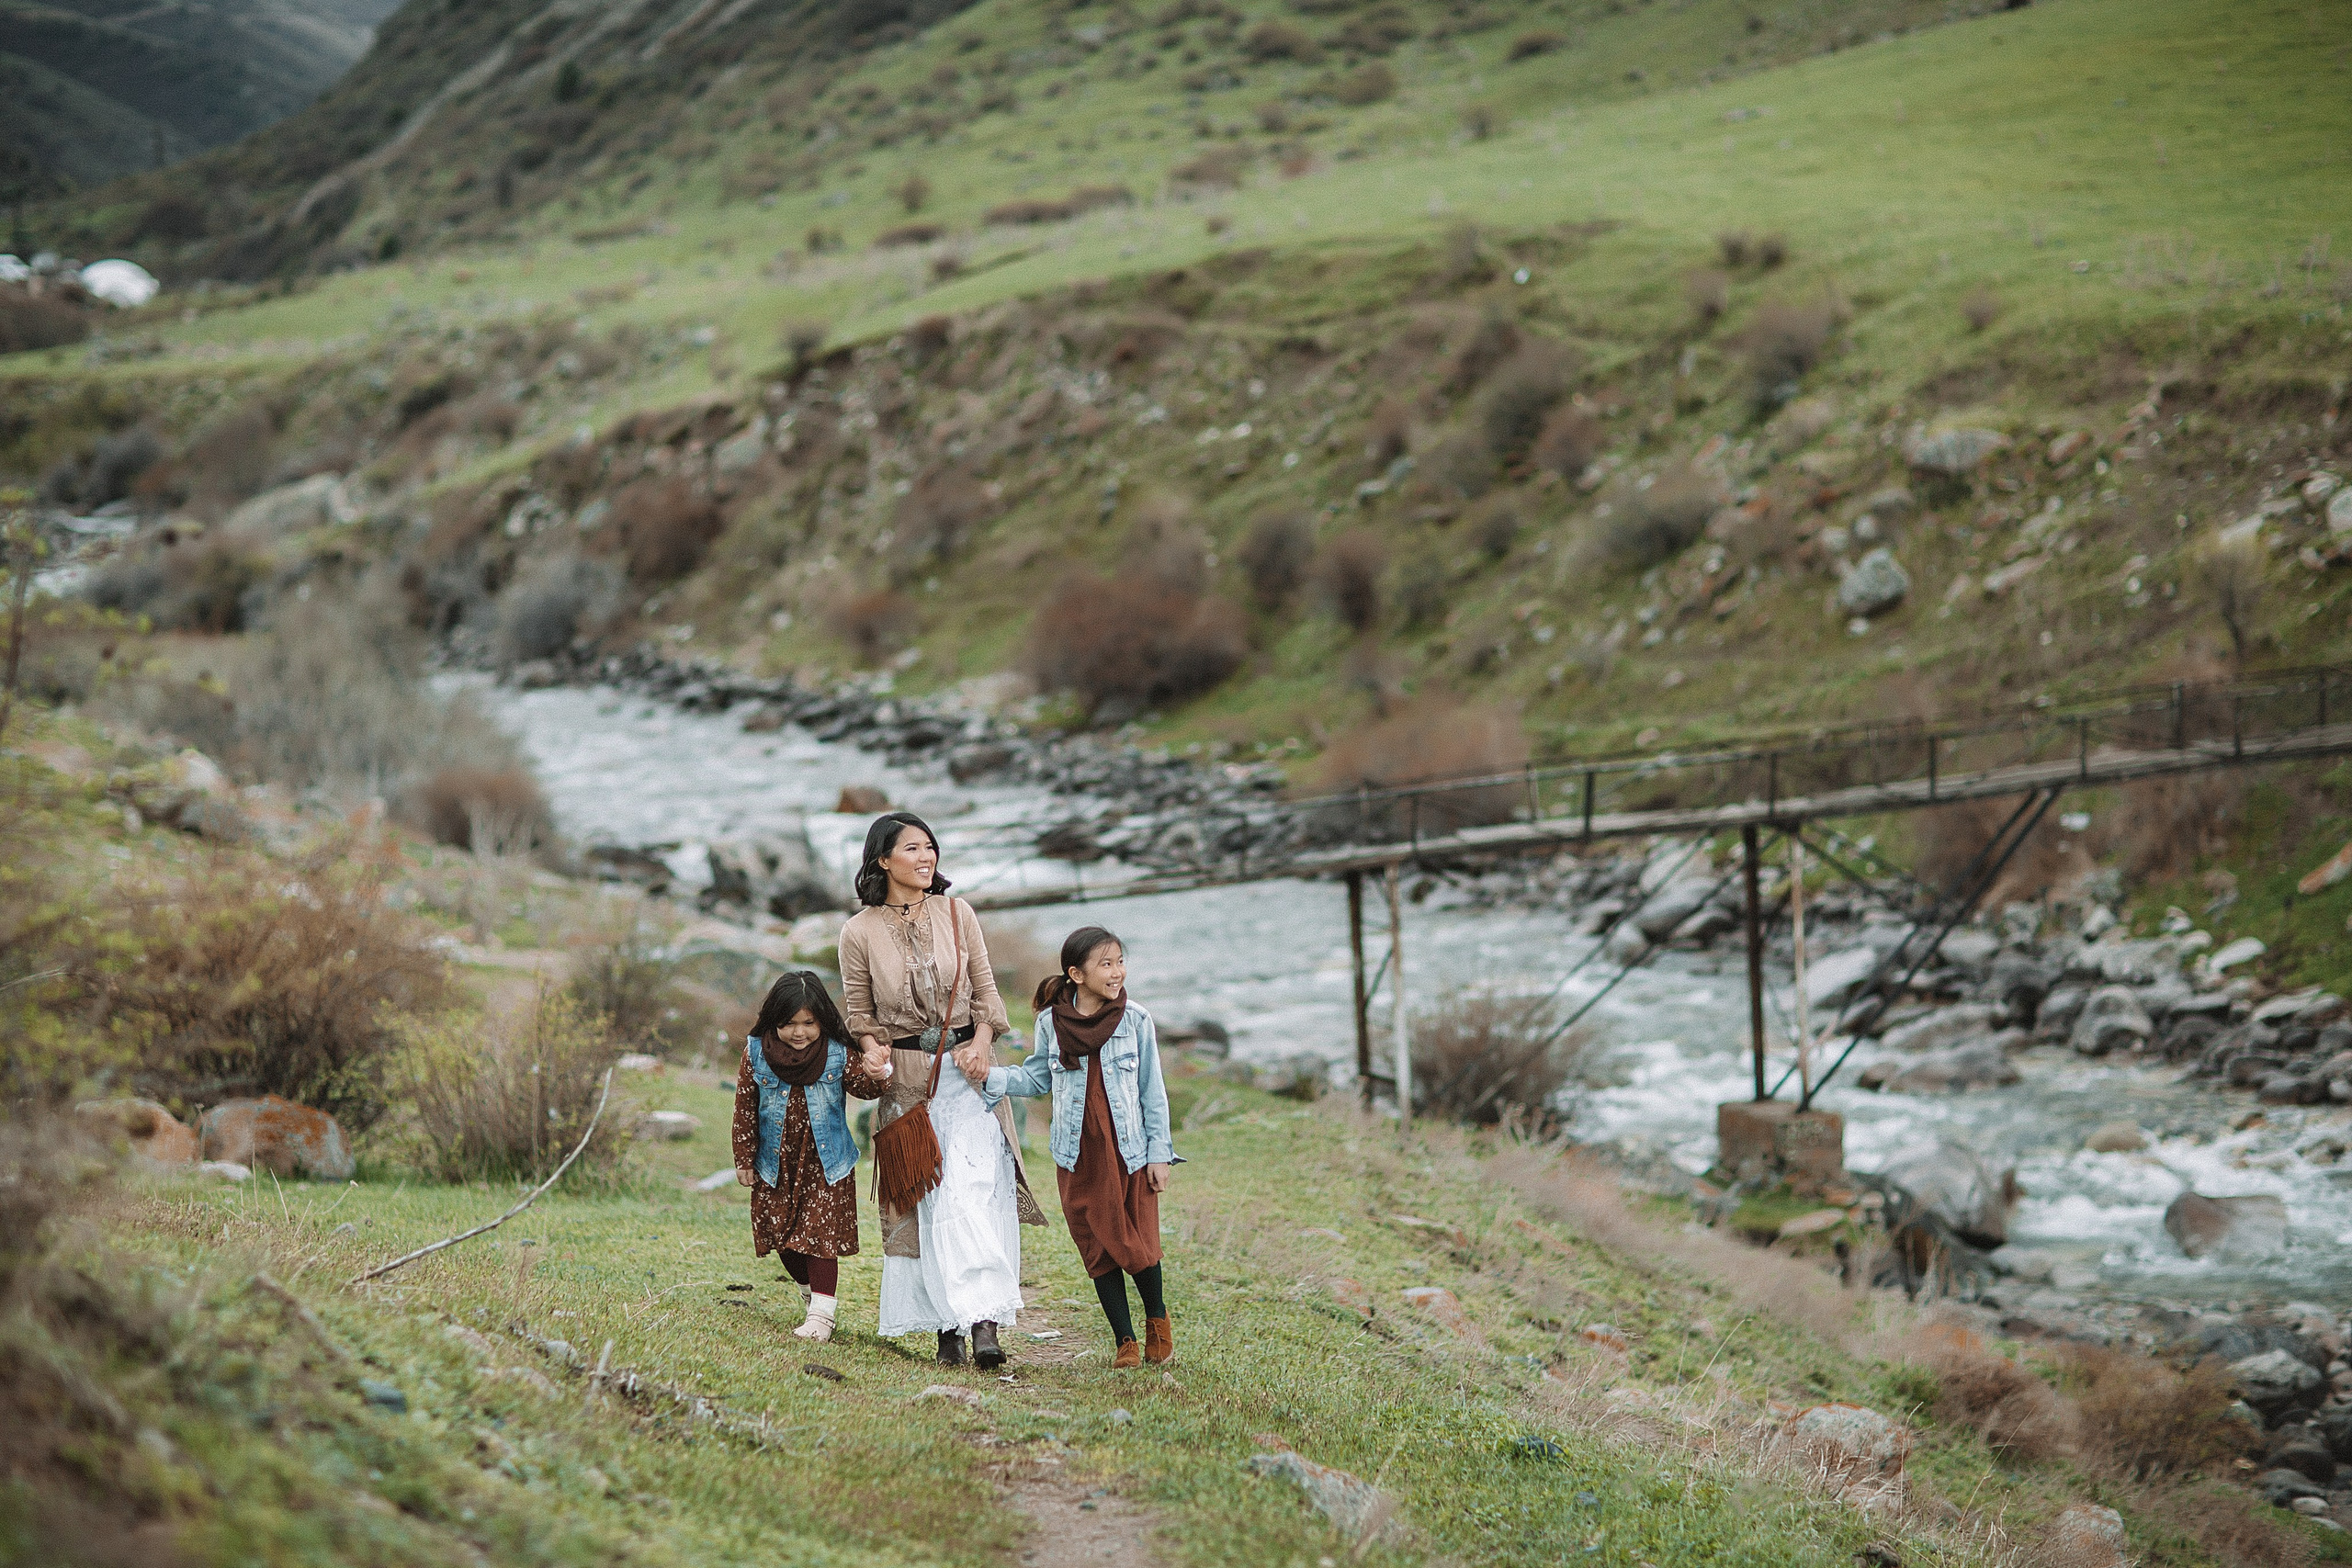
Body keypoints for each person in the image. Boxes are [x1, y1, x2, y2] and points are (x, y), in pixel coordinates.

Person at [838, 810, 1045, 1369]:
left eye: (930, 847)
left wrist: (981, 1042)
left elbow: (986, 992)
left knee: (973, 1193)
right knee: (928, 1201)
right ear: (882, 859)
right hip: (907, 1086)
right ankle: (945, 1329)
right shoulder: (857, 932)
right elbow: (859, 1013)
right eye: (911, 849)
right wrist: (872, 1049)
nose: (926, 857)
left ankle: (983, 1325)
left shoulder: (959, 912)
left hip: (970, 1079)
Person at [973, 926, 1175, 1369]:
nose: (1118, 972)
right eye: (1106, 964)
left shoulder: (1136, 1020)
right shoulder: (1051, 1023)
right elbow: (1038, 1078)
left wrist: (1160, 1153)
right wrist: (993, 1077)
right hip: (1077, 1153)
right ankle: (1125, 1341)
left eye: (1120, 961)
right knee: (1097, 1244)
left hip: (1130, 1152)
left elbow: (1151, 1092)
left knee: (1137, 1238)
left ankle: (1157, 1319)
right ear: (1076, 974)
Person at [731, 970, 890, 1342]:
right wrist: (744, 1156)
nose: (799, 1032)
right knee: (784, 1239)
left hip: (826, 1162)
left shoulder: (837, 1053)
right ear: (773, 1021)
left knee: (819, 1237)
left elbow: (866, 1089)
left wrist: (878, 1069)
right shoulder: (756, 1053)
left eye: (809, 1023)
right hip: (775, 1163)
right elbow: (744, 1106)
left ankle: (822, 1314)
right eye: (789, 1024)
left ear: (822, 1021)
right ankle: (810, 1297)